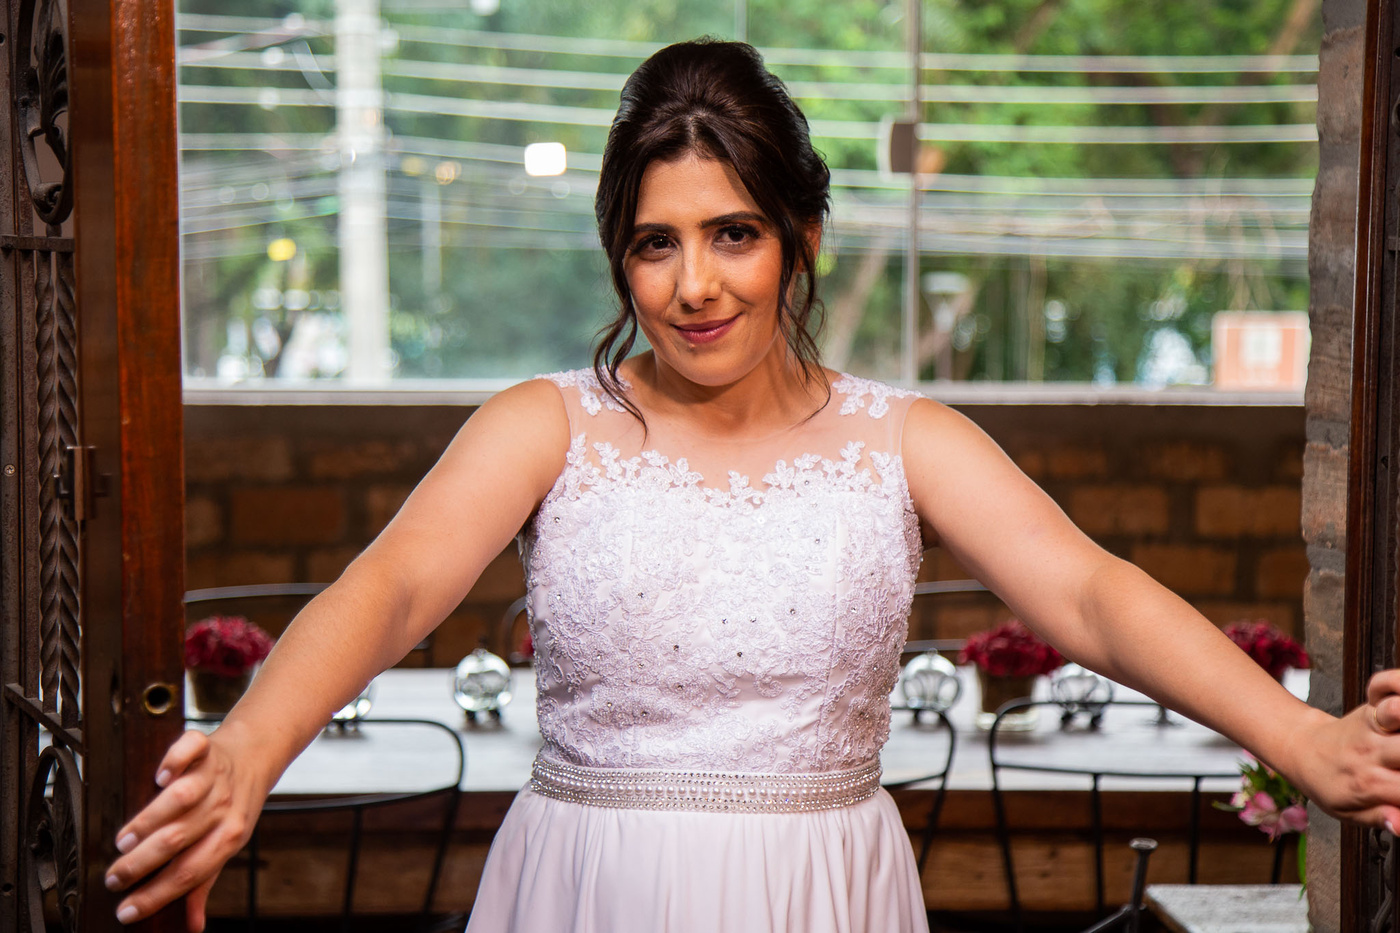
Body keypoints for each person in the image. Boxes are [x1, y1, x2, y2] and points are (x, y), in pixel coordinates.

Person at [107, 38, 1400, 933]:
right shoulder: (544, 426)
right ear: (619, 260)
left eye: (734, 234)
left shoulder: (906, 439)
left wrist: (1305, 740)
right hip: (587, 889)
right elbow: (387, 590)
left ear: (801, 239)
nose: (695, 285)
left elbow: (1094, 597)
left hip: (824, 893)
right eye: (654, 244)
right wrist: (249, 753)